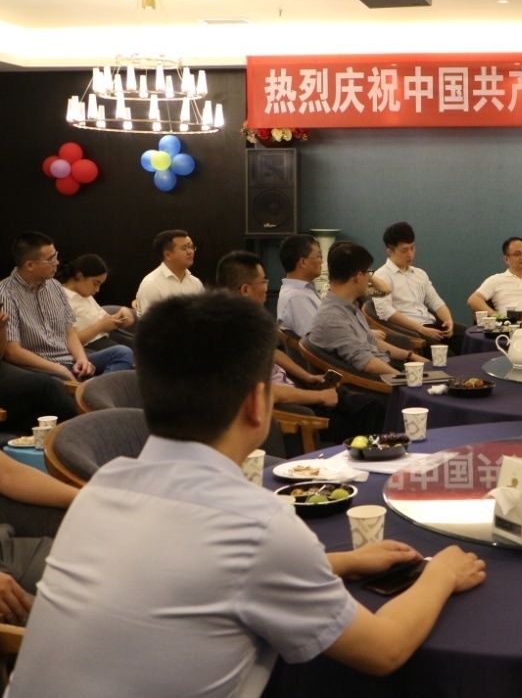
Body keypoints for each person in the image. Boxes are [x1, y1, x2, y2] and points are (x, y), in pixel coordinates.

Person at [7, 292, 486, 696]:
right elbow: (383, 650)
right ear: (259, 404)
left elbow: (196, 570)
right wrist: (441, 574)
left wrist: (341, 562)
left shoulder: (102, 490)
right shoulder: (257, 525)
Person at [217, 251, 385, 441]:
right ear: (245, 289)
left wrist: (307, 377)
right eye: (263, 282)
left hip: (293, 389)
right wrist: (319, 397)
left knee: (368, 405)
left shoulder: (249, 321)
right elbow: (266, 393)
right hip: (287, 409)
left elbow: (271, 353)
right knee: (364, 416)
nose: (266, 287)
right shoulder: (231, 336)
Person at [0, 232, 133, 381]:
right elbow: (12, 352)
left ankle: (93, 388)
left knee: (122, 352)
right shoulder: (5, 294)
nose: (57, 262)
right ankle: (93, 389)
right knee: (56, 382)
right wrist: (60, 369)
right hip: (42, 367)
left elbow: (70, 333)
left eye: (55, 255)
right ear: (30, 265)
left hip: (69, 360)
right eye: (50, 259)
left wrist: (82, 359)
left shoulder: (55, 286)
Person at [310, 242, 428, 375]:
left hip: (386, 368)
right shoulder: (332, 318)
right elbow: (367, 363)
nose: (369, 278)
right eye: (368, 273)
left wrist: (411, 356)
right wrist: (405, 379)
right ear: (359, 277)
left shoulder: (350, 306)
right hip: (376, 380)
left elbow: (372, 341)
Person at [0, 452, 79, 627]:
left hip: (8, 548)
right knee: (65, 623)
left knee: (102, 577)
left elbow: (8, 474)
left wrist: (90, 500)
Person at [373, 222, 464, 352]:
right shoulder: (378, 277)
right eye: (404, 250)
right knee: (446, 355)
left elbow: (435, 301)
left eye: (412, 248)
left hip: (430, 323)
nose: (410, 254)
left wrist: (448, 320)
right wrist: (422, 330)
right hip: (410, 331)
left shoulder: (420, 273)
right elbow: (384, 312)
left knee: (469, 338)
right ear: (390, 251)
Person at [57, 253, 135, 350]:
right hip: (89, 345)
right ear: (79, 276)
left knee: (145, 346)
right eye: (95, 284)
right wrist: (100, 326)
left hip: (107, 336)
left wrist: (122, 313)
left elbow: (104, 318)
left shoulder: (86, 295)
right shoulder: (61, 299)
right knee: (125, 352)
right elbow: (67, 341)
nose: (97, 290)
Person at [135, 229, 203, 314]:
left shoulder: (196, 283)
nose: (190, 252)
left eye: (191, 247)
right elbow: (152, 321)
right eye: (184, 248)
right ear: (168, 255)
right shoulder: (151, 284)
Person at [277, 233, 323, 337]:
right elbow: (317, 340)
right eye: (318, 256)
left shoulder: (304, 290)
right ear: (303, 262)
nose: (321, 261)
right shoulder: (296, 297)